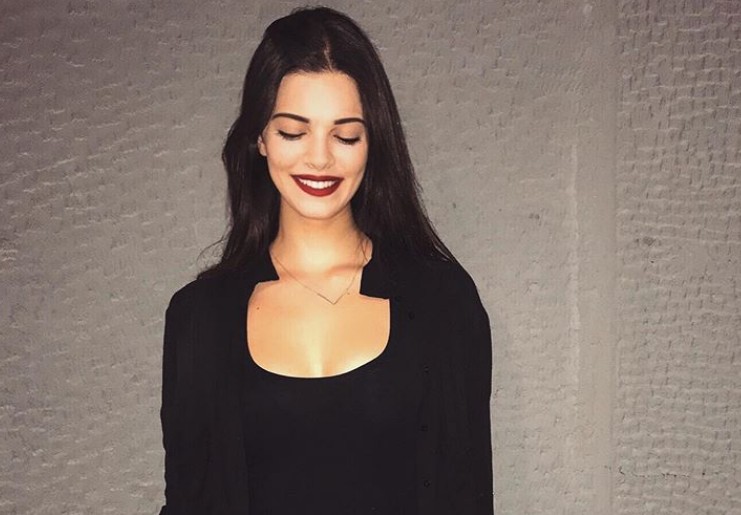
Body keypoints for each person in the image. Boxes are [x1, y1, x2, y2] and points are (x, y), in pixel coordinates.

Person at [159, 6, 493, 514]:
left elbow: (467, 497)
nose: (319, 158)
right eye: (293, 132)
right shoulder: (198, 317)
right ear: (259, 138)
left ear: (373, 142)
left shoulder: (443, 303)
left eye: (346, 135)